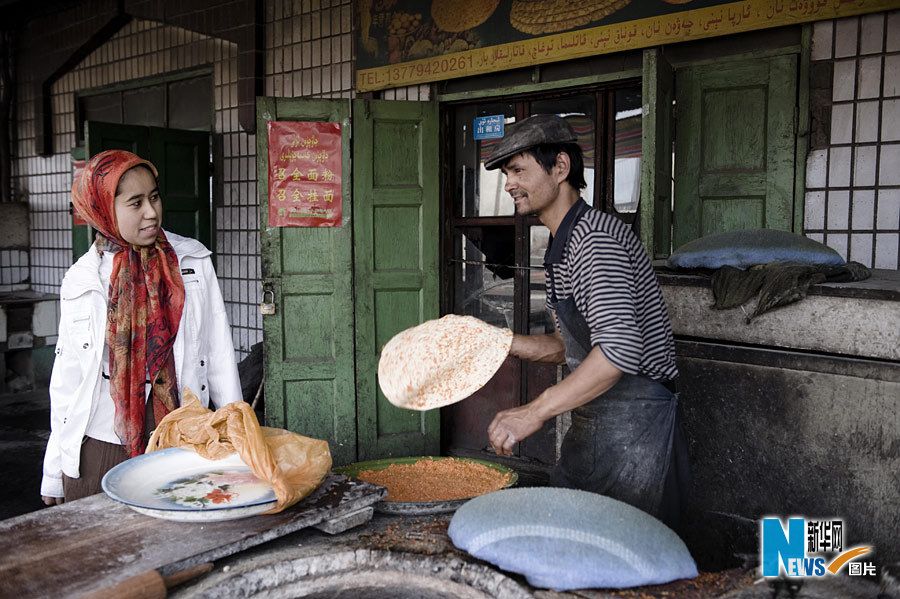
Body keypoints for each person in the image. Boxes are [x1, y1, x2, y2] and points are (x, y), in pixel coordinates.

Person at [483, 114, 689, 527]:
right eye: (507, 174)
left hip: (636, 425)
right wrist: (494, 341)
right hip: (597, 424)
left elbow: (617, 353)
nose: (509, 184)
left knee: (628, 553)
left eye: (519, 170)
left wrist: (533, 412)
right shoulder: (564, 242)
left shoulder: (595, 240)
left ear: (560, 168)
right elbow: (570, 348)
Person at [40, 150, 242, 505]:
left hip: (182, 432)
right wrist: (53, 473)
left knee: (179, 545)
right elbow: (67, 379)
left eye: (154, 196)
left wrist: (238, 443)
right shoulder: (81, 280)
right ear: (103, 208)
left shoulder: (192, 262)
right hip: (101, 442)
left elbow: (219, 355)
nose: (151, 212)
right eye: (135, 203)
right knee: (99, 550)